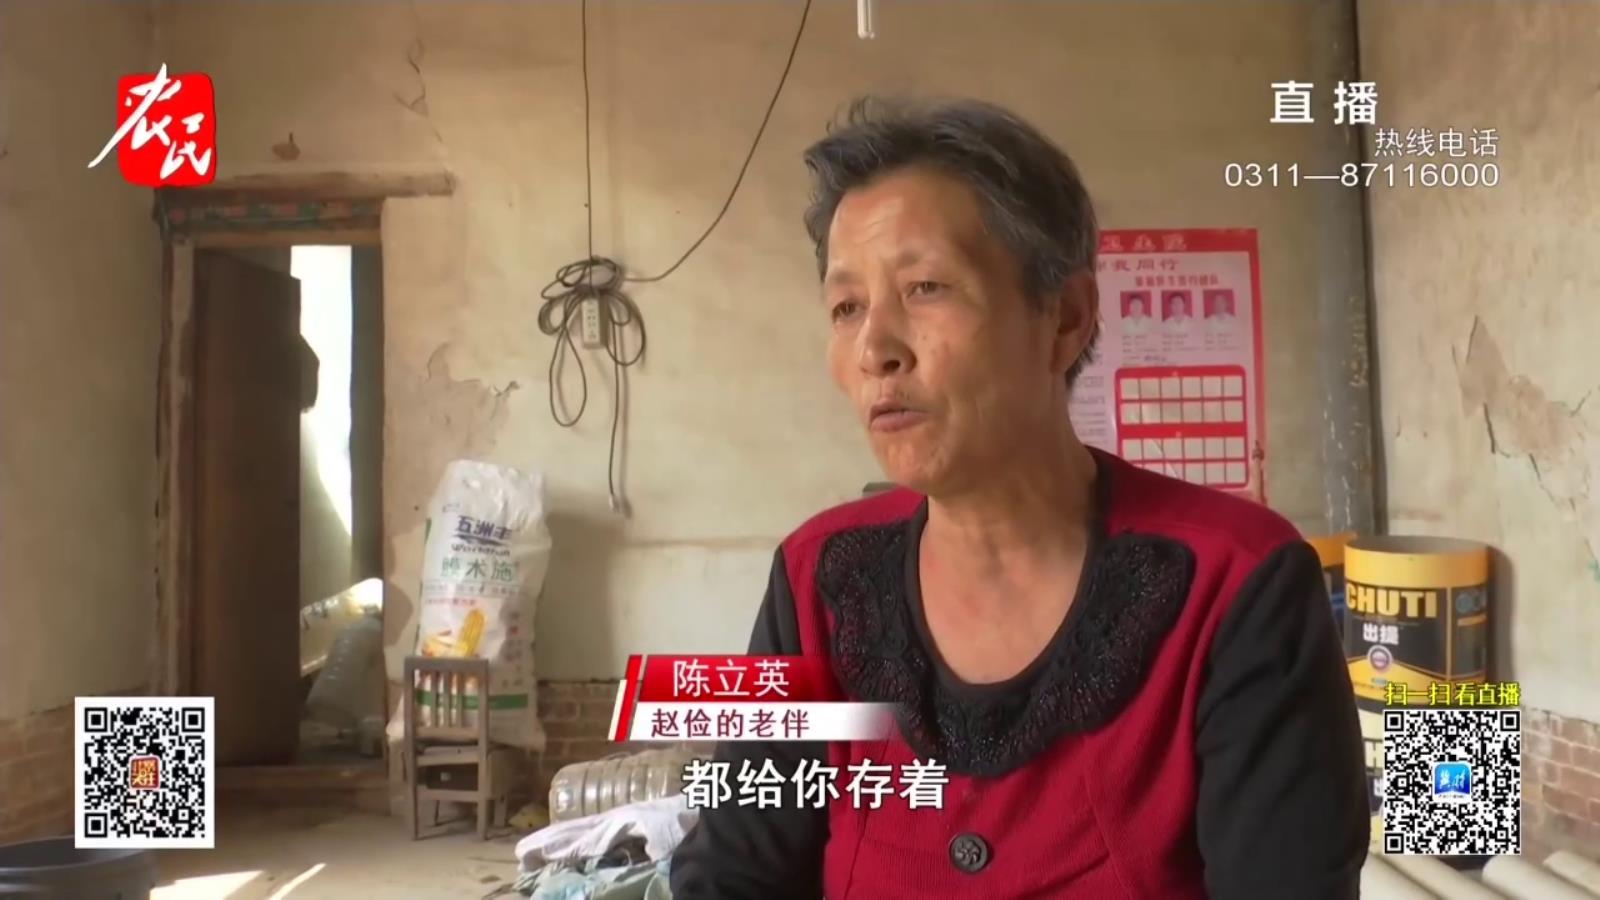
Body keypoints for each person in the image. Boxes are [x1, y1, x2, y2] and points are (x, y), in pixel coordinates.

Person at [669, 96, 1368, 899]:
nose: (874, 350)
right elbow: (733, 873)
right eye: (846, 306)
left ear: (1065, 319)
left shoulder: (1235, 584)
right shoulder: (815, 579)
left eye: (926, 287)